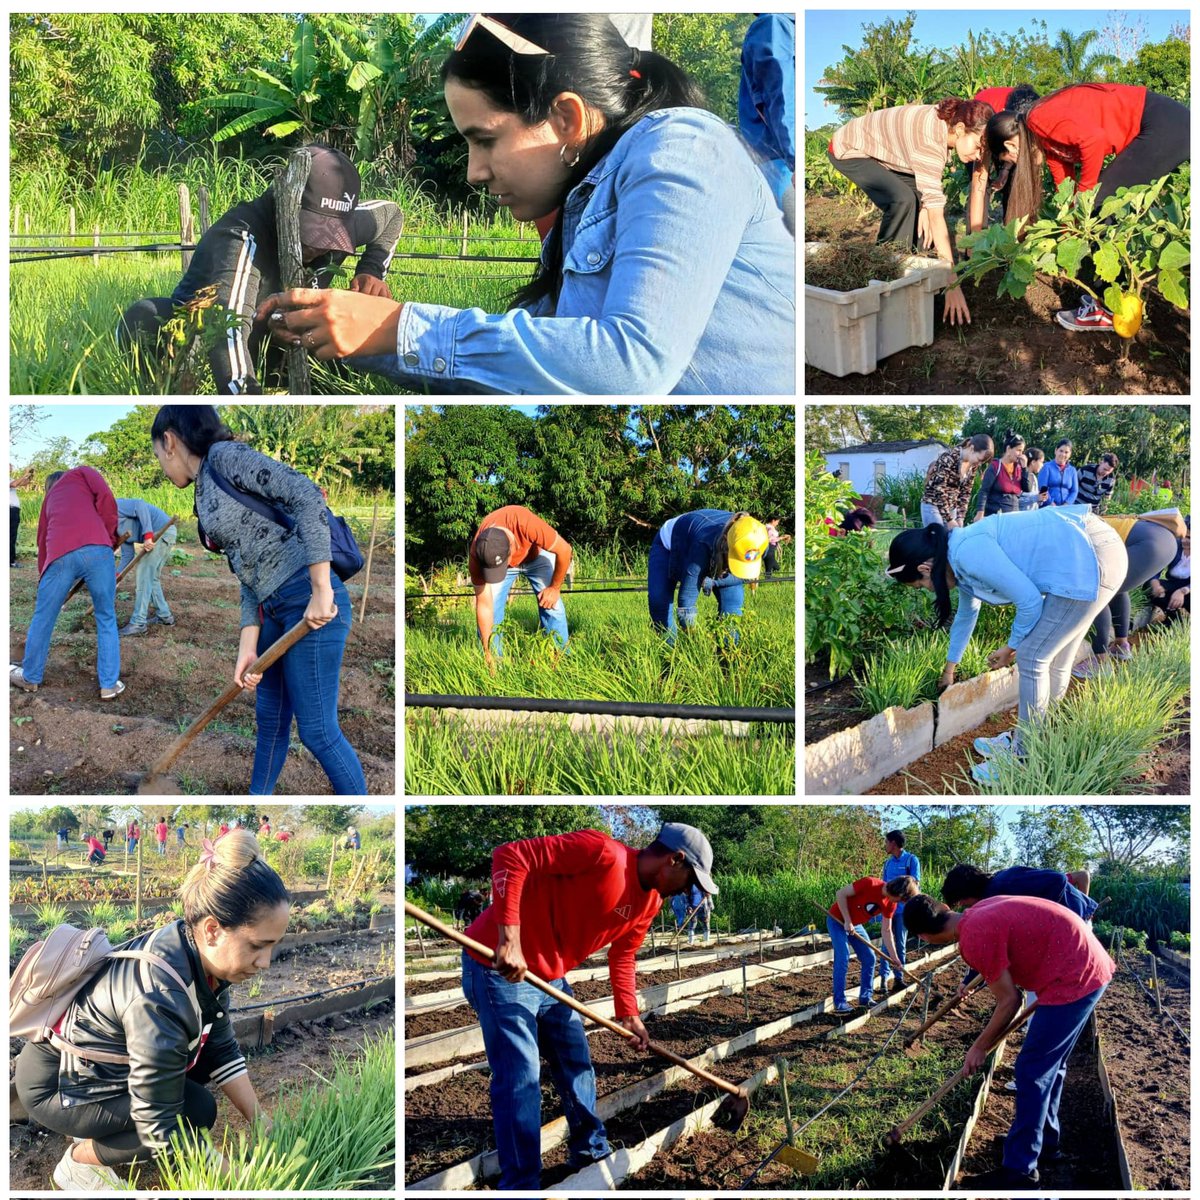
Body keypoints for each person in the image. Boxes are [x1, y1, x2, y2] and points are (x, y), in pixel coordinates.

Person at [257, 15, 795, 395]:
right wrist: (356, 330)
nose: (474, 171)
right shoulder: (585, 200)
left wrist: (399, 326)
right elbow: (534, 358)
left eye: (485, 139)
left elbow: (633, 364)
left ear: (566, 118)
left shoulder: (684, 149)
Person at [14, 829, 289, 1190]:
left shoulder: (201, 958)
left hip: (98, 1069)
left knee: (199, 1109)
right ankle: (78, 1163)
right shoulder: (159, 994)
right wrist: (240, 1181)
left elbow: (220, 1049)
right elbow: (158, 1123)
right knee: (174, 1122)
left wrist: (262, 1122)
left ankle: (102, 1137)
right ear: (212, 930)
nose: (266, 962)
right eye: (258, 945)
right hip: (59, 1086)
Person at [461, 821, 716, 1188]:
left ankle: (590, 1151)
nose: (688, 891)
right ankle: (521, 1185)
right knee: (521, 1078)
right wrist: (509, 939)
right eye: (691, 880)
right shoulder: (603, 854)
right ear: (675, 860)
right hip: (497, 966)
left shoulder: (651, 902)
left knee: (576, 1063)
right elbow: (510, 856)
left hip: (550, 976)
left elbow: (624, 954)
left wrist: (628, 1013)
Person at [151, 405, 366, 795]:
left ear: (169, 441)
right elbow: (245, 569)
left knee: (318, 732)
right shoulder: (202, 493)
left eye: (158, 456)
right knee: (270, 720)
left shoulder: (226, 458)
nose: (163, 469)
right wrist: (246, 648)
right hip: (271, 609)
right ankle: (255, 799)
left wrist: (321, 588)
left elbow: (307, 496)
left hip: (309, 601)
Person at [118, 145, 402, 395]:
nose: (318, 250)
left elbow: (392, 215)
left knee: (346, 337)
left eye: (330, 238)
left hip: (280, 339)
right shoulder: (241, 238)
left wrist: (373, 270)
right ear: (284, 204)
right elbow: (227, 331)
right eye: (310, 236)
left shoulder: (349, 224)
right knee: (144, 317)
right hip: (208, 344)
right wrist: (248, 399)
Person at [886, 505, 1127, 785]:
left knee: (1032, 657)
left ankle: (1023, 757)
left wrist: (1011, 647)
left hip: (1089, 557)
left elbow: (1029, 602)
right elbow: (966, 616)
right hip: (1087, 553)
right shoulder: (957, 556)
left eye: (919, 586)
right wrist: (949, 669)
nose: (926, 591)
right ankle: (1033, 737)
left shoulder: (967, 553)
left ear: (925, 569)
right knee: (1056, 657)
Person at [903, 893, 1113, 1189]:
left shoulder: (974, 936)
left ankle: (1020, 1170)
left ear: (924, 936)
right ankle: (1043, 1143)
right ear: (946, 909)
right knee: (1050, 1067)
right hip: (1085, 962)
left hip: (1074, 977)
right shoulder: (976, 912)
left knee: (1031, 1071)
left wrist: (979, 1047)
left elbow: (1009, 1001)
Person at [983, 84, 1190, 333]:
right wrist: (1069, 218)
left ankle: (1107, 310)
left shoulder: (1038, 118)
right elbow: (1064, 182)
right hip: (1160, 124)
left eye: (1010, 160)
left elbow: (1093, 140)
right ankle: (1112, 299)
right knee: (1096, 203)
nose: (1018, 164)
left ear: (1012, 146)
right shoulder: (1044, 141)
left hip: (1163, 124)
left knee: (1099, 203)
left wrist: (1085, 200)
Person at [827, 98, 993, 325]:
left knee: (917, 204)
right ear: (961, 129)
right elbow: (936, 214)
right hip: (849, 149)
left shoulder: (946, 125)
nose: (977, 157)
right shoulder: (930, 142)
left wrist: (925, 205)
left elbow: (928, 190)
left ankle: (911, 272)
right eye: (977, 147)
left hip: (894, 157)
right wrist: (952, 282)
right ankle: (882, 276)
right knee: (902, 201)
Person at [9, 468, 124, 700]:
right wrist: (108, 538)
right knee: (106, 616)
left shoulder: (48, 500)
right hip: (98, 551)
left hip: (59, 556)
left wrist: (46, 580)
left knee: (44, 616)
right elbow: (107, 500)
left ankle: (30, 677)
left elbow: (42, 540)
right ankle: (109, 685)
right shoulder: (83, 472)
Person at [1072, 515, 1179, 677]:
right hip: (1166, 542)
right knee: (1117, 588)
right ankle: (1121, 645)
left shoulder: (1067, 532)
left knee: (1095, 590)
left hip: (1147, 545)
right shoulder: (1079, 518)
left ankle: (1100, 662)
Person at [469, 505, 572, 664]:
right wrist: (486, 652)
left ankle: (562, 660)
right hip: (500, 560)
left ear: (512, 549)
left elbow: (565, 550)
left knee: (553, 605)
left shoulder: (524, 522)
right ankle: (495, 663)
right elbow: (484, 605)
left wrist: (554, 588)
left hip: (536, 556)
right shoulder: (478, 553)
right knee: (492, 610)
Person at [648, 510, 768, 643]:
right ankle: (669, 651)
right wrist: (694, 640)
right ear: (724, 544)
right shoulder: (701, 546)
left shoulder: (759, 541)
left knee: (733, 609)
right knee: (659, 601)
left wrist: (714, 581)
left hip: (704, 540)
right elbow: (686, 603)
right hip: (670, 543)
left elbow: (743, 577)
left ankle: (728, 657)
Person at [827, 875, 918, 1014]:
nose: (899, 903)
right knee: (843, 956)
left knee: (870, 958)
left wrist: (894, 958)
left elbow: (887, 931)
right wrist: (847, 920)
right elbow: (840, 894)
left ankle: (865, 998)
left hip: (855, 924)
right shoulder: (870, 883)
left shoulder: (890, 903)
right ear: (898, 893)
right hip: (837, 919)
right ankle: (839, 1002)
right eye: (901, 900)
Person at [739, 13, 796, 233]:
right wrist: (795, 160)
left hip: (780, 158)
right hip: (779, 160)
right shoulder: (774, 24)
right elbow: (779, 97)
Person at [966, 85, 1040, 236]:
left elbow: (1017, 149)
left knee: (1015, 182)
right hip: (981, 131)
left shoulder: (1035, 120)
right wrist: (974, 243)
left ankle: (1013, 235)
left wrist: (1005, 170)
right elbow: (977, 186)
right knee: (983, 186)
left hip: (1009, 136)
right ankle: (975, 243)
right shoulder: (988, 127)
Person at [115, 496, 179, 636]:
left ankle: (138, 623)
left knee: (143, 575)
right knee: (151, 578)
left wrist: (148, 536)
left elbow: (139, 505)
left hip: (162, 531)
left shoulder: (113, 505)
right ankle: (164, 616)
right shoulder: (116, 530)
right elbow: (127, 556)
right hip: (164, 534)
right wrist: (116, 578)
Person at [876, 830, 920, 992]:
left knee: (900, 944)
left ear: (893, 843)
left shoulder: (911, 860)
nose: (885, 845)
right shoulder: (888, 863)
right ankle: (883, 980)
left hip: (903, 910)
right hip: (888, 909)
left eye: (886, 842)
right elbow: (884, 885)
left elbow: (914, 884)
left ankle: (898, 978)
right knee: (886, 945)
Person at [921, 435, 995, 527]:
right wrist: (949, 520)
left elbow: (966, 493)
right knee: (937, 540)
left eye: (982, 462)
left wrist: (960, 517)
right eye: (979, 459)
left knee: (954, 540)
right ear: (972, 448)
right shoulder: (948, 458)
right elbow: (939, 489)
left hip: (951, 508)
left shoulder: (972, 467)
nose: (979, 464)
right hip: (933, 505)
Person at [973, 432, 1027, 519]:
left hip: (1014, 516)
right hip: (996, 516)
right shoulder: (995, 466)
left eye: (1022, 451)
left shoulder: (1018, 468)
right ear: (1008, 449)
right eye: (1018, 450)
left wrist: (1024, 468)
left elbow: (1027, 489)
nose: (1021, 454)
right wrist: (980, 513)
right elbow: (984, 491)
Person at [1148, 519, 1190, 624]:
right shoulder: (1174, 545)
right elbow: (1156, 569)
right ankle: (1173, 617)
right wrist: (1156, 585)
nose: (1185, 540)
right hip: (1173, 583)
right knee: (1149, 587)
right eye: (1184, 536)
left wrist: (1182, 591)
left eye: (1190, 538)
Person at [1038, 441, 1078, 507]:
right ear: (1056, 450)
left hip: (1066, 508)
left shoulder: (1072, 470)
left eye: (1066, 452)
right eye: (1061, 451)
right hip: (1048, 507)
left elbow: (1074, 491)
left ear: (1070, 454)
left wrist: (1067, 504)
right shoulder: (1046, 467)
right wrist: (1051, 503)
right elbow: (1042, 488)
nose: (1063, 454)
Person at [10, 465, 34, 567]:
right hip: (9, 510)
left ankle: (10, 560)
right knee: (10, 536)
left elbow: (25, 483)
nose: (11, 467)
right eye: (9, 466)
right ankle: (11, 562)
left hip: (13, 510)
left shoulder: (10, 479)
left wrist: (30, 475)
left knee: (12, 536)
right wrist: (25, 474)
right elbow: (15, 484)